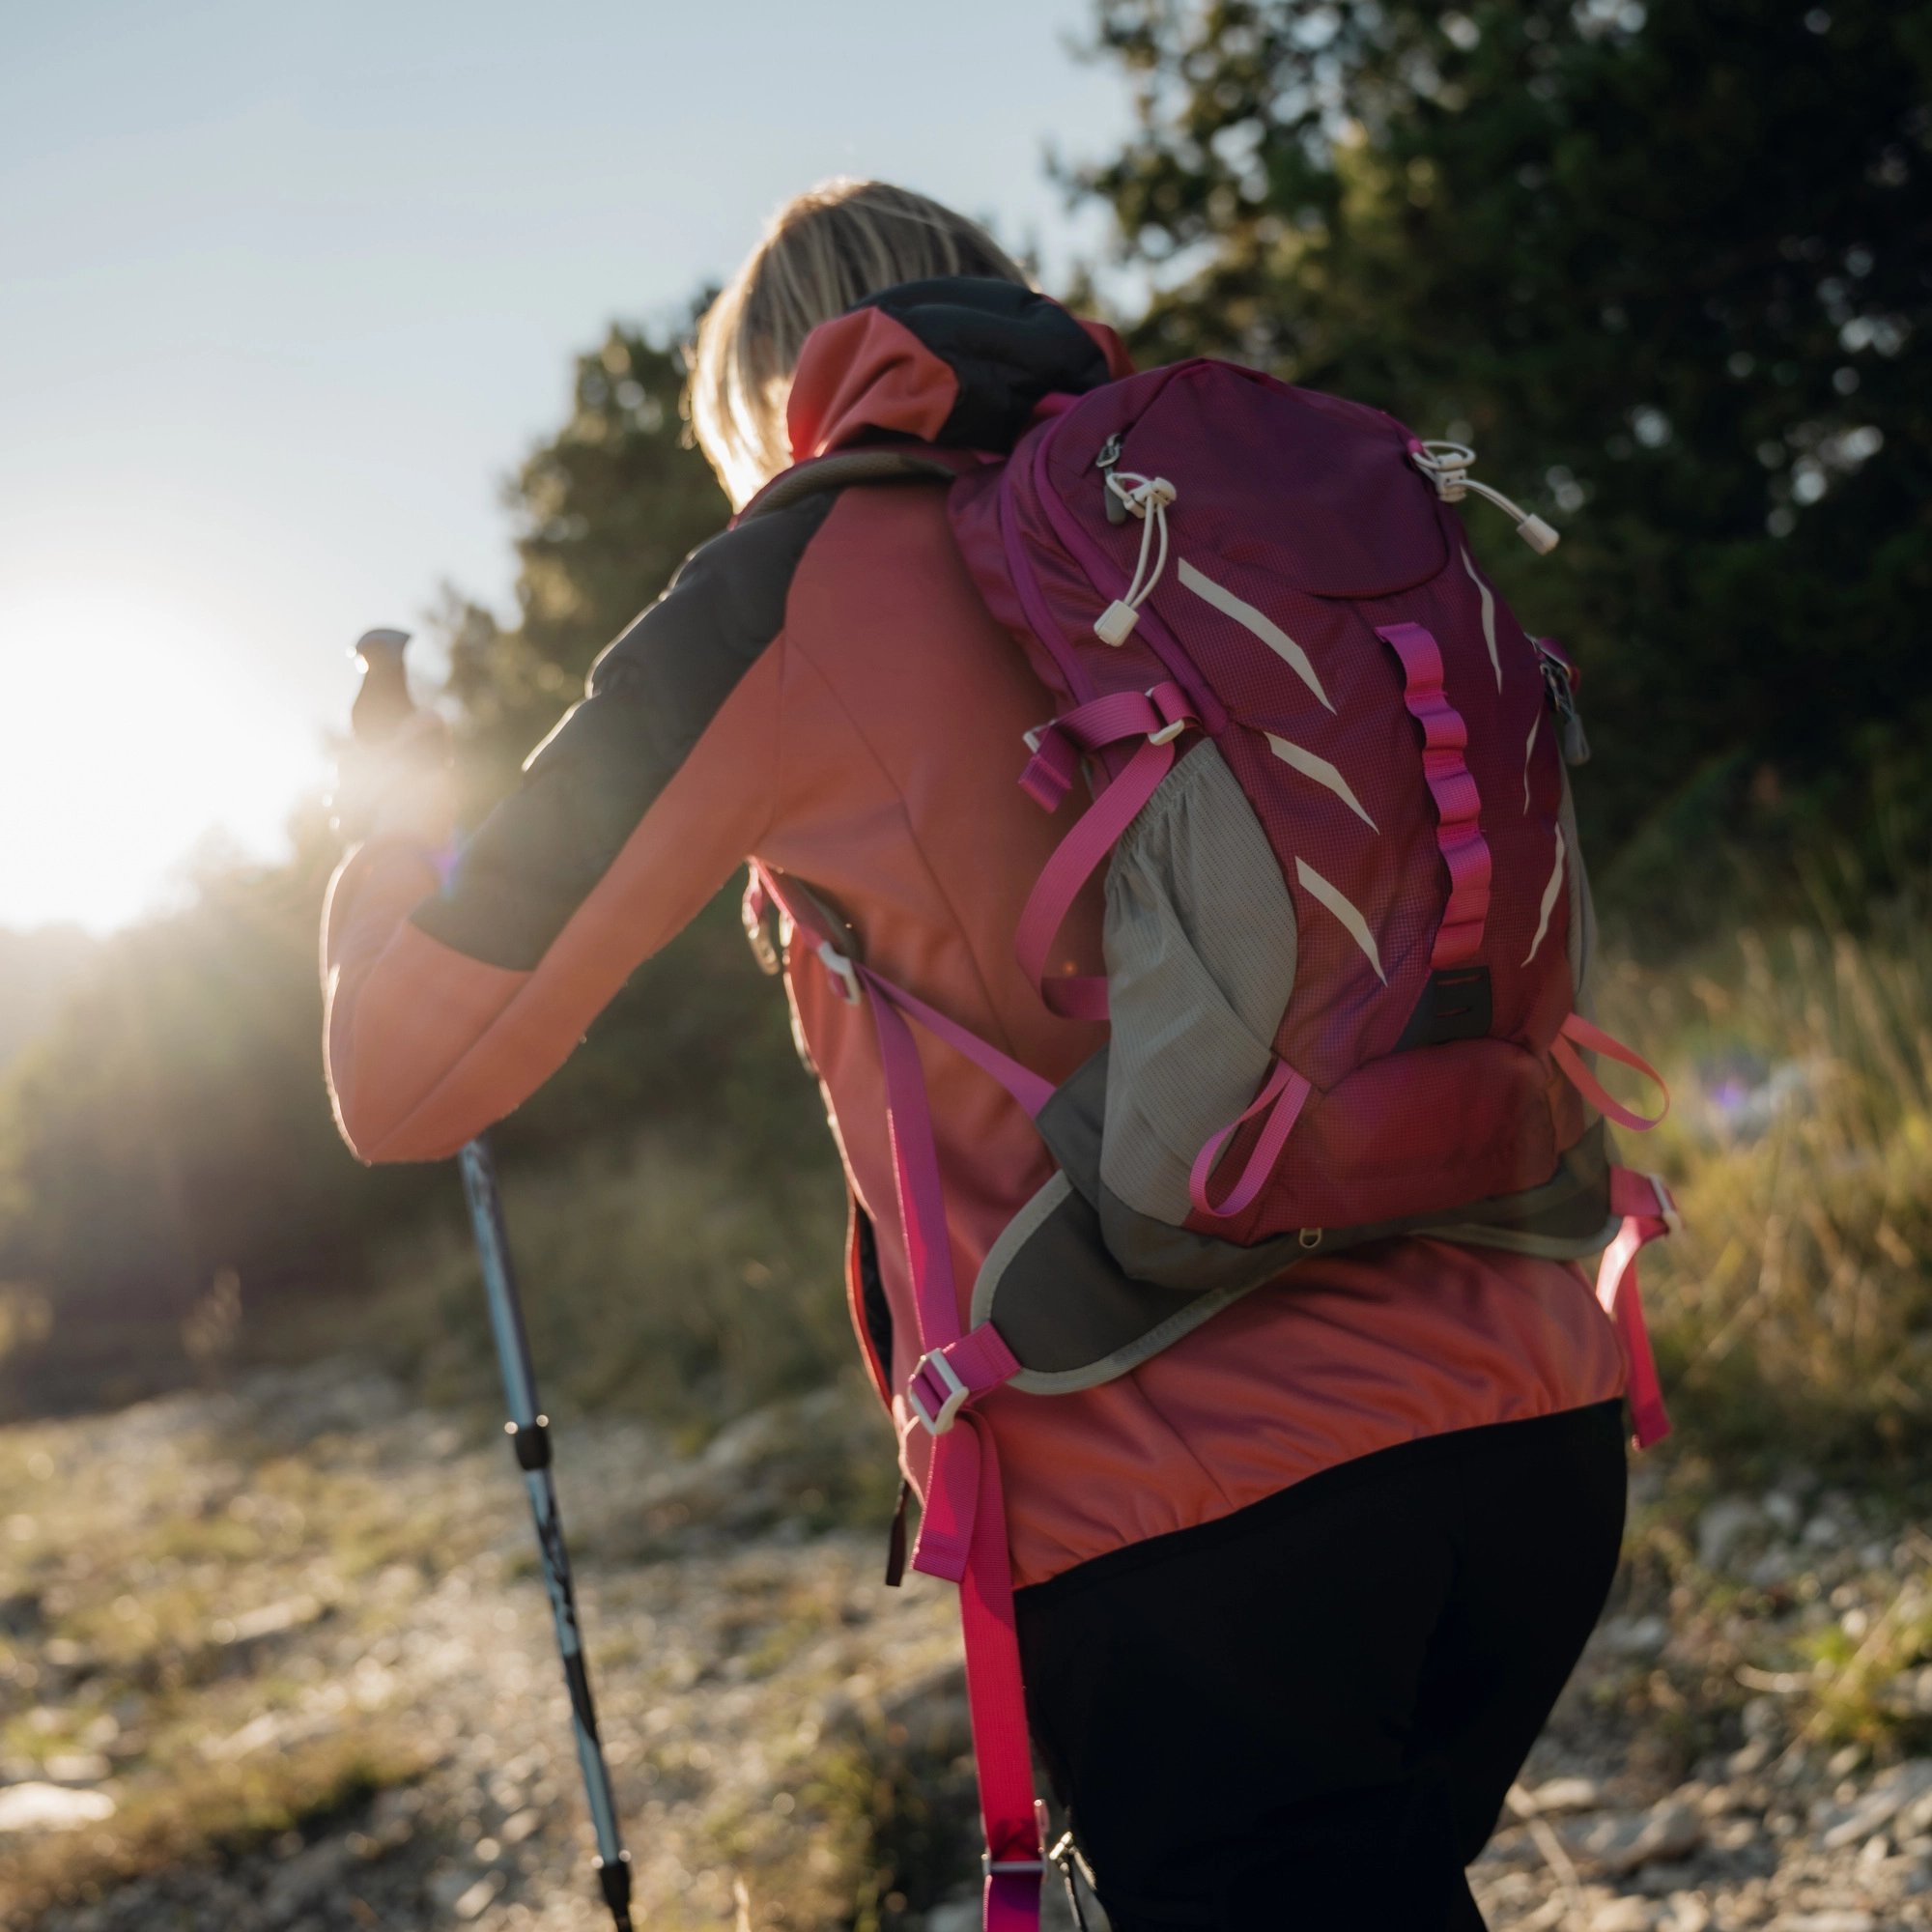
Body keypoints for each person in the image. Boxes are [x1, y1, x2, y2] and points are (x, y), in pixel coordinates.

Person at [323, 178, 1633, 1930]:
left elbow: (404, 1081)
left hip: (1190, 1508)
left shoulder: (792, 572)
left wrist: (382, 860)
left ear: (771, 402)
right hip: (1541, 1411)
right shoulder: (1215, 509)